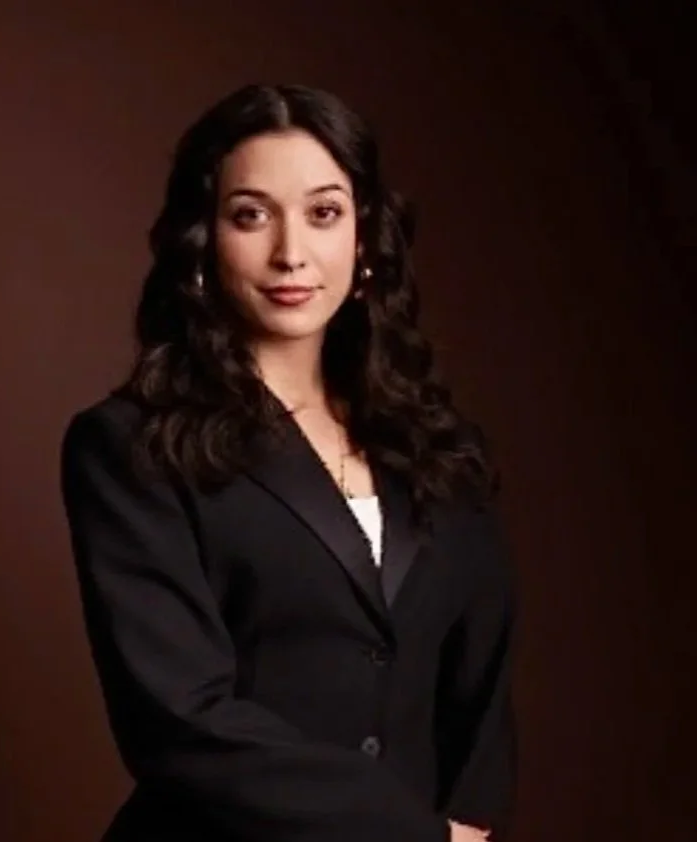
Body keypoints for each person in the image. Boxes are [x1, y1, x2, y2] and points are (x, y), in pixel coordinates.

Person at [60, 83, 517, 842]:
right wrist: (408, 835)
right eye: (251, 215)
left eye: (323, 213)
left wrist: (465, 825)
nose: (290, 253)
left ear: (364, 238)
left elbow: (482, 676)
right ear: (203, 240)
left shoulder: (437, 444)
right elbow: (178, 718)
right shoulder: (131, 445)